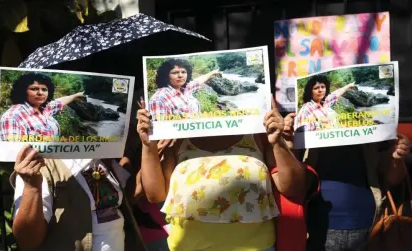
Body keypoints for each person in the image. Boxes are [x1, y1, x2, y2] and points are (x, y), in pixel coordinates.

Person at [137, 96, 318, 251]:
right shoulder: (177, 139)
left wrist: (277, 141)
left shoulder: (257, 135)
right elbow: (156, 195)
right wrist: (148, 145)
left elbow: (293, 188)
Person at [11, 145, 146, 251]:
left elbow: (134, 194)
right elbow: (27, 240)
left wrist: (148, 146)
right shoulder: (38, 165)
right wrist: (32, 187)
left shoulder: (100, 155)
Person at [304, 134, 411, 251]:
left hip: (369, 226)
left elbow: (392, 179)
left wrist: (398, 157)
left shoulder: (378, 127)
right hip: (317, 226)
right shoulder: (305, 127)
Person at [0, 72, 84, 141]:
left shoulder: (44, 108)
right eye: (34, 89)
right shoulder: (12, 117)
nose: (40, 93)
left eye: (44, 89)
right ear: (22, 91)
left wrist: (76, 95)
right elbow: (12, 154)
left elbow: (59, 102)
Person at [148, 58, 219, 121]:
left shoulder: (185, 89)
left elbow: (198, 81)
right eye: (175, 72)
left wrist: (212, 72)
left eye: (183, 72)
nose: (180, 75)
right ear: (166, 75)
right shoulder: (159, 99)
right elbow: (161, 131)